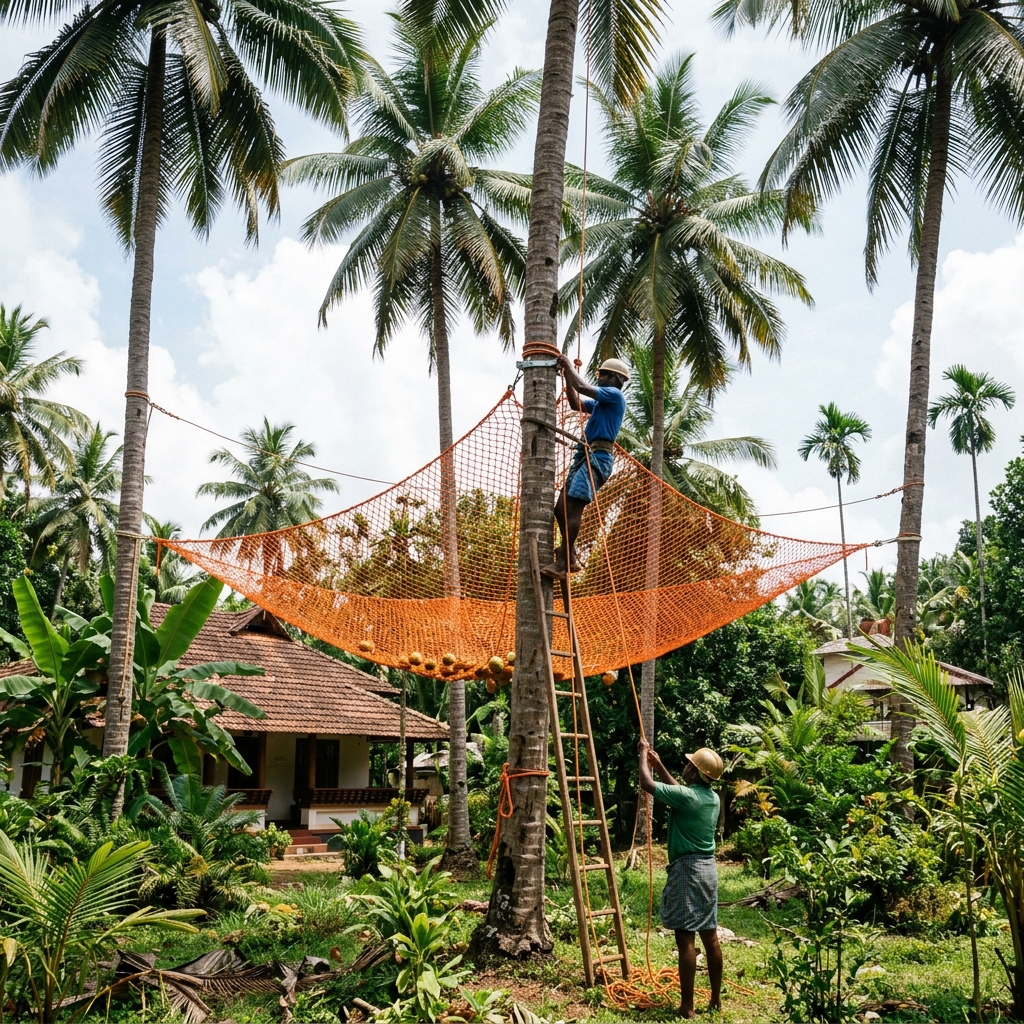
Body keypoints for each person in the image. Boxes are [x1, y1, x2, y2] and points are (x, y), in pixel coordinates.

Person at [639, 738, 724, 1018]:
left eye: (689, 765)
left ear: (696, 773)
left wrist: (643, 757)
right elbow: (678, 790)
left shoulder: (689, 797)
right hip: (708, 870)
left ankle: (687, 1007)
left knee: (685, 938)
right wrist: (660, 763)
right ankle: (715, 1001)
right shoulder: (711, 798)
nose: (685, 767)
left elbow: (647, 785)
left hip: (688, 870)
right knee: (710, 936)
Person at [541, 353, 630, 578]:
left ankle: (563, 562)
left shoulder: (615, 395)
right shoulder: (602, 402)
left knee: (572, 507)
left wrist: (568, 366)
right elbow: (576, 402)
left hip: (598, 458)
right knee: (560, 508)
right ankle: (569, 555)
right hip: (585, 455)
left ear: (616, 379)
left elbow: (582, 386)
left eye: (604, 375)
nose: (599, 378)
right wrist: (566, 376)